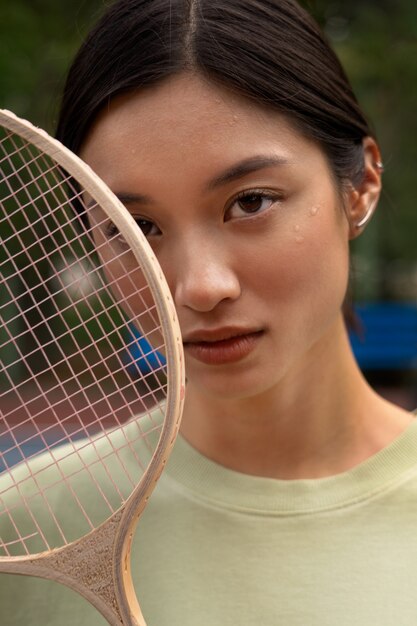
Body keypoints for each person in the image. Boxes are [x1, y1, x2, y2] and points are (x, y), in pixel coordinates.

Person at [1, 0, 417, 624]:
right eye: (136, 226)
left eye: (251, 201)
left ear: (359, 185)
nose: (200, 286)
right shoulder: (24, 534)